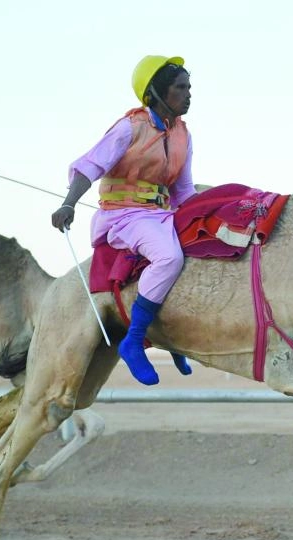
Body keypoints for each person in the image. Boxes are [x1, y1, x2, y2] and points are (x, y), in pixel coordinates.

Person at [51, 55, 196, 386]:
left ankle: (173, 338)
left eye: (190, 87)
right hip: (125, 216)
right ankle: (134, 341)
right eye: (181, 88)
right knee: (169, 257)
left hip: (162, 215)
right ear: (155, 94)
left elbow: (183, 190)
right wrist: (69, 203)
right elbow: (91, 165)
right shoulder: (129, 128)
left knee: (201, 249)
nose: (189, 94)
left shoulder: (184, 135)